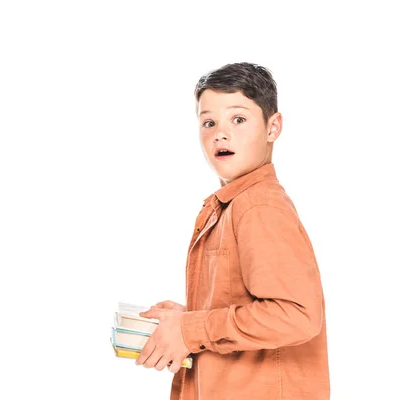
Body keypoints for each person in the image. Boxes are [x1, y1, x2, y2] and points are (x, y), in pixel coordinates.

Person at [135, 62, 330, 399]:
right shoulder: (234, 205)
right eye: (208, 122)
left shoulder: (258, 206)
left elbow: (297, 315)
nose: (220, 134)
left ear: (273, 128)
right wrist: (188, 319)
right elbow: (251, 308)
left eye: (238, 119)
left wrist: (191, 328)